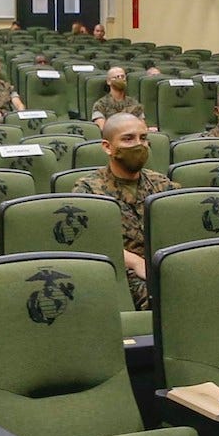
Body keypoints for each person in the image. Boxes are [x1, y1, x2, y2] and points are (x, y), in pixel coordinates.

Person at [73, 113, 172, 309]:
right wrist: (134, 261)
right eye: (128, 139)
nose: (139, 145)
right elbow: (89, 242)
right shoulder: (88, 189)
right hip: (119, 272)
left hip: (162, 264)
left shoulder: (161, 183)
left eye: (143, 138)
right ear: (107, 147)